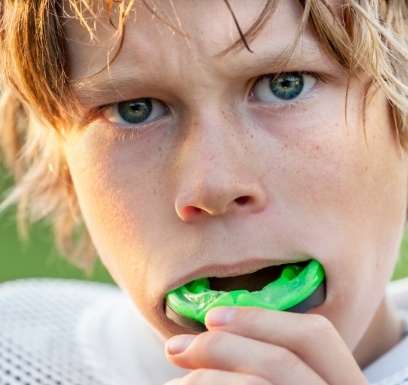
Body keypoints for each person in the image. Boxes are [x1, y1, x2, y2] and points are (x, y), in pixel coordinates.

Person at [1, 0, 408, 384]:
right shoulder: (17, 357)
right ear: (64, 165)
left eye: (285, 84)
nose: (214, 187)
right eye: (135, 108)